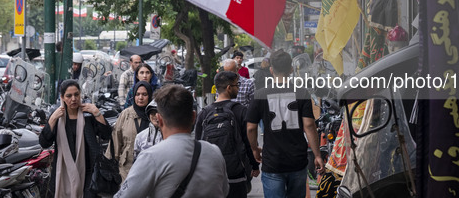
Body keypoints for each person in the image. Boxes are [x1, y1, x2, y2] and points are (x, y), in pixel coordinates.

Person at [115, 85, 229, 198]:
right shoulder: (214, 152)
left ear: (159, 119)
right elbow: (225, 191)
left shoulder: (151, 157)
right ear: (194, 117)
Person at [247, 49, 324, 198]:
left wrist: (255, 149)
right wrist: (317, 155)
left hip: (273, 163)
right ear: (290, 69)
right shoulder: (302, 93)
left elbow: (251, 128)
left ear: (271, 70)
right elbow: (309, 126)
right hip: (297, 160)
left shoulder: (260, 94)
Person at [39, 79, 112, 198]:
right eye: (69, 96)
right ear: (62, 97)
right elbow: (44, 143)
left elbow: (107, 135)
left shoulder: (87, 114)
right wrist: (52, 120)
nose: (73, 99)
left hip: (89, 171)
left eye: (76, 94)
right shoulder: (58, 116)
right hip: (63, 172)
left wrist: (97, 113)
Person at [195, 71, 260, 198]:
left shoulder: (204, 113)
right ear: (229, 88)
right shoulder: (240, 110)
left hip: (212, 174)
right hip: (236, 174)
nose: (239, 88)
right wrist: (254, 165)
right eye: (237, 85)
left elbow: (198, 144)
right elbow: (247, 143)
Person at [108, 80, 152, 181]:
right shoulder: (126, 114)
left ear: (149, 95)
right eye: (137, 94)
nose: (140, 98)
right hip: (126, 169)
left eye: (144, 94)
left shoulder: (154, 115)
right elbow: (116, 140)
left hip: (148, 169)